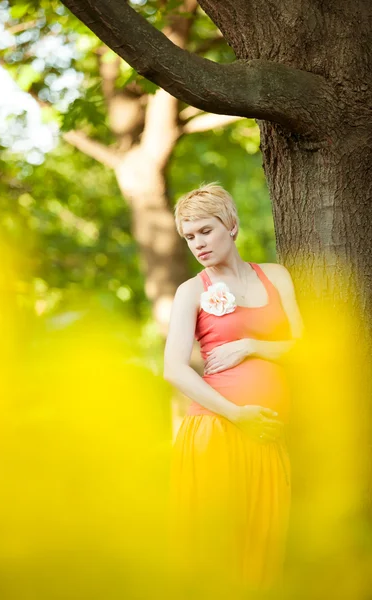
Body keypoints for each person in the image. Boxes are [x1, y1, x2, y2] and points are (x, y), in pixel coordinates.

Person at [163, 183, 303, 594]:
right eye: (189, 237)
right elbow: (174, 369)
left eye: (205, 230)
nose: (198, 244)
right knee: (219, 551)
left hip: (268, 435)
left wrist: (251, 345)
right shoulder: (192, 291)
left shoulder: (275, 276)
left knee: (265, 549)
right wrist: (238, 413)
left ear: (232, 225)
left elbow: (304, 346)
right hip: (217, 431)